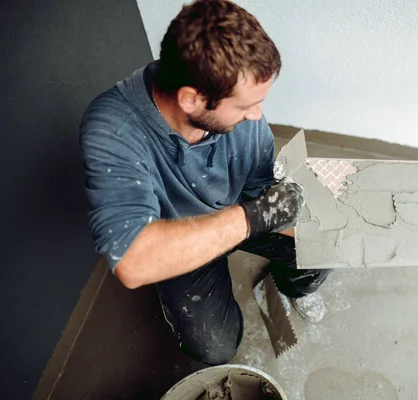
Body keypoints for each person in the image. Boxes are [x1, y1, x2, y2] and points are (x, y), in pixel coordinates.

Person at [79, 0, 331, 365]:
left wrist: (323, 230)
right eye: (245, 106)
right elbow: (133, 262)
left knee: (322, 251)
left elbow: (261, 192)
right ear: (192, 99)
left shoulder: (243, 121)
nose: (257, 115)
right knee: (214, 348)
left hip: (240, 211)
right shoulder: (113, 131)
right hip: (181, 239)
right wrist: (252, 219)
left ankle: (296, 284)